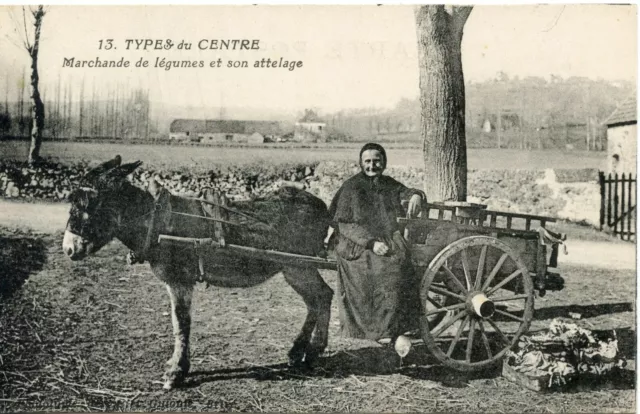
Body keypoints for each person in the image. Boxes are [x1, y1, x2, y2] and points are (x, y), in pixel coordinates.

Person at [328, 143, 425, 348]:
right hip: (355, 243)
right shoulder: (352, 187)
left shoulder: (388, 183)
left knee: (401, 263)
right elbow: (345, 224)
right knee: (380, 269)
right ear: (361, 163)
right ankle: (378, 330)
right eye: (368, 162)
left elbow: (405, 192)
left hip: (384, 239)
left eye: (377, 161)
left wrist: (416, 194)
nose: (372, 166)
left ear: (384, 162)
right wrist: (371, 243)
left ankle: (395, 327)